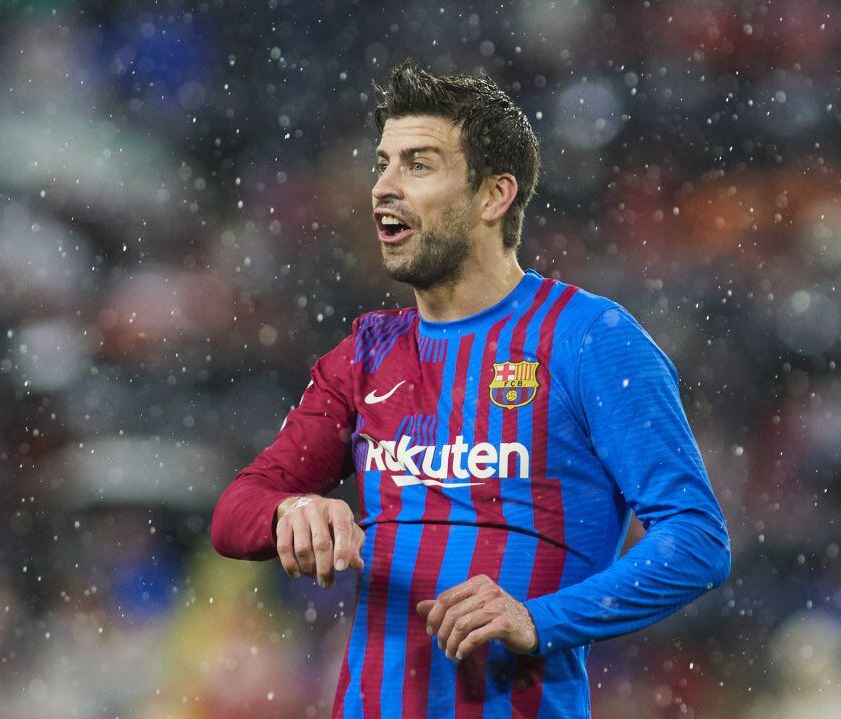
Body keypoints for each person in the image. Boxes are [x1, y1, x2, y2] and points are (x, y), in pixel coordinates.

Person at [210, 59, 730, 719]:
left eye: (418, 165)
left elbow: (695, 538)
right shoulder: (366, 353)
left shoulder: (588, 339)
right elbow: (236, 511)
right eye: (382, 164)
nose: (383, 187)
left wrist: (539, 619)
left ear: (494, 196)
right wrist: (290, 511)